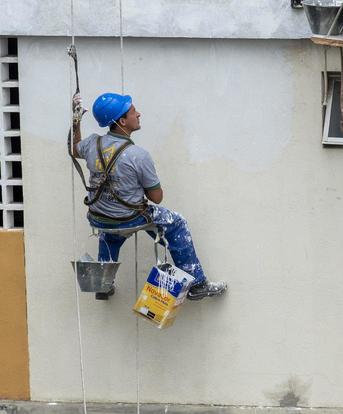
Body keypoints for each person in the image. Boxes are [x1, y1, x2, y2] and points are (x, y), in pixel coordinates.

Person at [69, 92, 227, 302]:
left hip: (100, 217)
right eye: (134, 111)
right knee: (176, 223)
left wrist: (76, 119)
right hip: (129, 218)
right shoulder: (138, 155)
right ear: (122, 121)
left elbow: (73, 149)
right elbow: (157, 197)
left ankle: (103, 284)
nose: (139, 114)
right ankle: (197, 283)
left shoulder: (92, 144)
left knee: (110, 234)